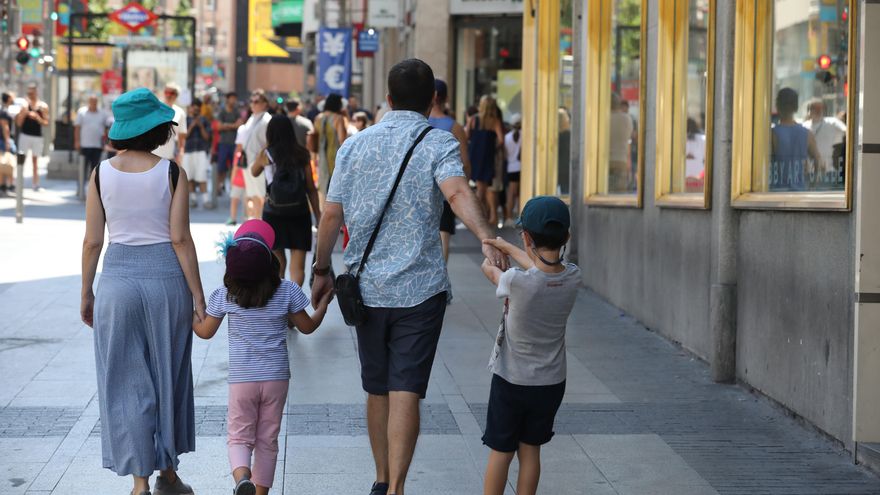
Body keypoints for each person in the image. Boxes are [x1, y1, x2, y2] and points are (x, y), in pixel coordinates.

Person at [311, 58, 508, 495]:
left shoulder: (355, 146)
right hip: (421, 291)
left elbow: (330, 213)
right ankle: (398, 487)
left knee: (376, 387)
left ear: (387, 97)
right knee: (406, 390)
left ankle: (381, 480)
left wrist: (322, 269)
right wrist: (487, 237)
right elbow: (457, 192)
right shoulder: (438, 144)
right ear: (433, 99)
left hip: (365, 288)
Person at [80, 87, 205, 495]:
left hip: (116, 280)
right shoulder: (171, 172)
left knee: (126, 380)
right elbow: (181, 240)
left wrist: (87, 292)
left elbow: (92, 242)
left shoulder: (100, 173)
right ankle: (168, 470)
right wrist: (199, 296)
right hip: (167, 281)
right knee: (168, 375)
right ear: (157, 129)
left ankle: (140, 483)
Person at [193, 219, 332, 495]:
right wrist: (324, 305)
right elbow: (307, 327)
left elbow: (205, 331)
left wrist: (188, 313)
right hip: (276, 379)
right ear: (271, 263)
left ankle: (242, 479)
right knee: (267, 440)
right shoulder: (287, 291)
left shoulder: (226, 295)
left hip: (243, 380)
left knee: (239, 437)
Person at [479, 196, 580, 495]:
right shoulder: (574, 277)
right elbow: (541, 268)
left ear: (526, 237)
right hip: (550, 383)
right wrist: (509, 247)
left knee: (501, 451)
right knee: (530, 451)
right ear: (567, 237)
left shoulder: (515, 282)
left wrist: (495, 251)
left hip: (511, 381)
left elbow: (490, 269)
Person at [251, 115, 322, 285]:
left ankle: (279, 303)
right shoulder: (302, 154)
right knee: (297, 267)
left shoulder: (266, 154)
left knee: (278, 264)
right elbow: (311, 188)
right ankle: (294, 304)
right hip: (300, 212)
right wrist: (318, 216)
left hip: (273, 212)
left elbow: (254, 172)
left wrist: (264, 159)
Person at [428, 79, 471, 262]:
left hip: (420, 187)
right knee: (444, 233)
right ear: (445, 98)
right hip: (446, 187)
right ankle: (441, 278)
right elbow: (465, 162)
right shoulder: (455, 127)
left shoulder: (419, 122)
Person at [771, 88, 822, 191]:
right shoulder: (807, 134)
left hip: (776, 192)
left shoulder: (772, 134)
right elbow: (818, 161)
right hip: (800, 192)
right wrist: (812, 185)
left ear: (778, 106)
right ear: (796, 107)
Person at [467, 96, 505, 227]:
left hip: (475, 156)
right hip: (488, 156)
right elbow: (501, 140)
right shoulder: (494, 121)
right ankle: (482, 217)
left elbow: (467, 136)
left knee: (480, 188)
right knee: (483, 189)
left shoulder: (473, 119)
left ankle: (479, 217)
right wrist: (494, 147)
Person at [242, 90, 272, 217]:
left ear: (265, 104)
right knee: (253, 194)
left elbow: (269, 143)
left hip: (259, 163)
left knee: (260, 195)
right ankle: (255, 221)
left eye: (256, 102)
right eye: (251, 101)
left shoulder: (267, 120)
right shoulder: (251, 118)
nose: (253, 104)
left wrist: (261, 160)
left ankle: (260, 222)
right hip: (247, 161)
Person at [313, 93, 348, 201]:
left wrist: (314, 158)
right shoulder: (338, 118)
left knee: (323, 190)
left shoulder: (318, 118)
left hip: (321, 158)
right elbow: (342, 140)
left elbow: (314, 138)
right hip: (335, 158)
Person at [15, 83, 49, 190]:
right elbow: (19, 123)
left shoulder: (43, 106)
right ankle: (19, 183)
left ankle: (35, 184)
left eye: (32, 92)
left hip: (37, 137)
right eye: (29, 92)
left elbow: (46, 123)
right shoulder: (24, 105)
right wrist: (24, 113)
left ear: (36, 92)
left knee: (35, 161)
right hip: (25, 135)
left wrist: (37, 118)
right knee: (21, 160)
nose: (30, 94)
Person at [804, 98, 846, 175]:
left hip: (828, 171)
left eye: (820, 108)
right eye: (814, 108)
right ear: (809, 111)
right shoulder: (804, 126)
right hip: (809, 172)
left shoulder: (833, 122)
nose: (818, 110)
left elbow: (847, 132)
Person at [183, 98, 212, 208]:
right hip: (188, 151)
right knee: (189, 176)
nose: (195, 110)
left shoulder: (204, 120)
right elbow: (184, 136)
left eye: (197, 108)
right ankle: (193, 199)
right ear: (190, 108)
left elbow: (207, 137)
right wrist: (191, 126)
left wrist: (200, 126)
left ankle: (205, 200)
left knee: (202, 175)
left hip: (201, 151)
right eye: (193, 107)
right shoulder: (185, 120)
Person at [75, 95, 111, 183]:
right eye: (92, 101)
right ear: (89, 102)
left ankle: (92, 190)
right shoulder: (81, 112)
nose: (93, 103)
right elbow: (77, 128)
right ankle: (80, 189)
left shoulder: (102, 114)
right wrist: (77, 141)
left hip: (97, 146)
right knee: (82, 168)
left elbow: (106, 129)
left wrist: (105, 143)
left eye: (95, 102)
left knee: (95, 169)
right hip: (85, 145)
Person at [153, 83, 187, 164]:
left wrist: (181, 154)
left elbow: (181, 137)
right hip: (152, 155)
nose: (168, 95)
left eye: (171, 93)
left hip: (169, 157)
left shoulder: (180, 113)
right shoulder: (155, 109)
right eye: (166, 92)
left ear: (176, 95)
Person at [217, 92, 243, 194]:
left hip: (234, 143)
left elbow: (240, 125)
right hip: (223, 143)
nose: (233, 101)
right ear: (227, 99)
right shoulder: (222, 111)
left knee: (234, 166)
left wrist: (226, 125)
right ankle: (219, 186)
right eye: (232, 98)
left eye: (235, 98)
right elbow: (219, 127)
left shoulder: (237, 112)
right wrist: (233, 125)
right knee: (221, 167)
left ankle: (233, 187)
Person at [608, 92, 633, 193]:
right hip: (621, 160)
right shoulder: (627, 118)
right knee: (619, 192)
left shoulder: (604, 118)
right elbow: (629, 137)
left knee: (605, 192)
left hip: (606, 160)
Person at [503, 114, 522, 228]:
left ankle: (509, 217)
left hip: (511, 168)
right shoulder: (524, 135)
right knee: (519, 194)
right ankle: (519, 216)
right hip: (521, 168)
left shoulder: (507, 137)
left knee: (511, 193)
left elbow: (505, 154)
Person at [685, 117, 706, 192]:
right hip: (682, 180)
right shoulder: (677, 140)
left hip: (699, 179)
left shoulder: (703, 140)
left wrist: (702, 176)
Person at [0, 93, 14, 194]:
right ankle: (6, 185)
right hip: (2, 140)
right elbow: (5, 127)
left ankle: (3, 185)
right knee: (5, 162)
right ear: (8, 99)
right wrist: (8, 141)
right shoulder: (4, 112)